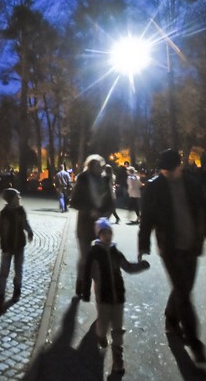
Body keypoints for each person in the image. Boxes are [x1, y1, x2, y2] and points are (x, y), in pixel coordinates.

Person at [138, 149, 206, 368]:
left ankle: (171, 318)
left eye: (170, 170)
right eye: (163, 170)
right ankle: (195, 344)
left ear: (179, 167)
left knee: (183, 288)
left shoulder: (193, 184)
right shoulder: (155, 187)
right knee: (184, 293)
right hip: (170, 248)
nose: (166, 173)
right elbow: (147, 218)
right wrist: (143, 244)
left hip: (192, 246)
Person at [82, 218, 150, 375]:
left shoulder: (115, 252)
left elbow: (128, 267)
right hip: (103, 297)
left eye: (109, 233)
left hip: (118, 295)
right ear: (99, 235)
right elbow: (87, 274)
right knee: (103, 325)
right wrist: (85, 291)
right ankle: (100, 335)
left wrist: (141, 266)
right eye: (104, 233)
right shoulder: (94, 254)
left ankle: (118, 359)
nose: (107, 236)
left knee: (118, 328)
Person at [70, 154, 106, 296]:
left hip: (100, 226)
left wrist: (105, 213)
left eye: (101, 166)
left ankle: (95, 288)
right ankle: (81, 282)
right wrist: (89, 210)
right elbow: (74, 202)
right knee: (85, 258)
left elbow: (109, 202)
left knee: (97, 258)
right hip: (85, 225)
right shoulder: (83, 179)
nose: (100, 168)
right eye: (97, 166)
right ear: (90, 166)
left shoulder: (103, 180)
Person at [0, 188, 34, 311]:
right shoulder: (4, 213)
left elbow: (25, 222)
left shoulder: (21, 210)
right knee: (4, 273)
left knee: (19, 270)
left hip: (19, 246)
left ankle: (17, 290)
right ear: (11, 199)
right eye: (17, 196)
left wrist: (29, 231)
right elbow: (2, 231)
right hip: (7, 247)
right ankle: (1, 296)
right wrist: (4, 247)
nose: (19, 198)